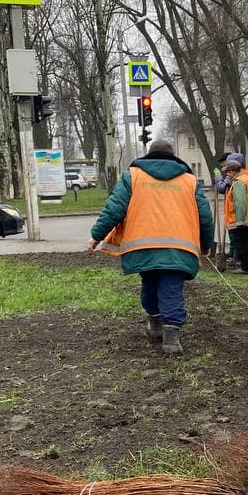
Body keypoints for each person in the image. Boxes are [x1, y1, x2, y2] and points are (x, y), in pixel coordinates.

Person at [86, 138, 214, 355]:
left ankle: (154, 324)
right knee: (172, 287)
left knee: (150, 282)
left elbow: (114, 209)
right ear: (173, 157)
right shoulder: (190, 181)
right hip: (179, 247)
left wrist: (95, 237)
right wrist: (206, 244)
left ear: (149, 156)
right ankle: (171, 338)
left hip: (142, 246)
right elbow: (205, 216)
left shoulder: (133, 176)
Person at [223, 153, 248, 275]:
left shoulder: (239, 182)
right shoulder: (246, 179)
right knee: (247, 243)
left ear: (232, 171)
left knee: (242, 244)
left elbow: (240, 203)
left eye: (228, 172)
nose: (227, 175)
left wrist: (239, 221)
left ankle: (246, 268)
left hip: (241, 220)